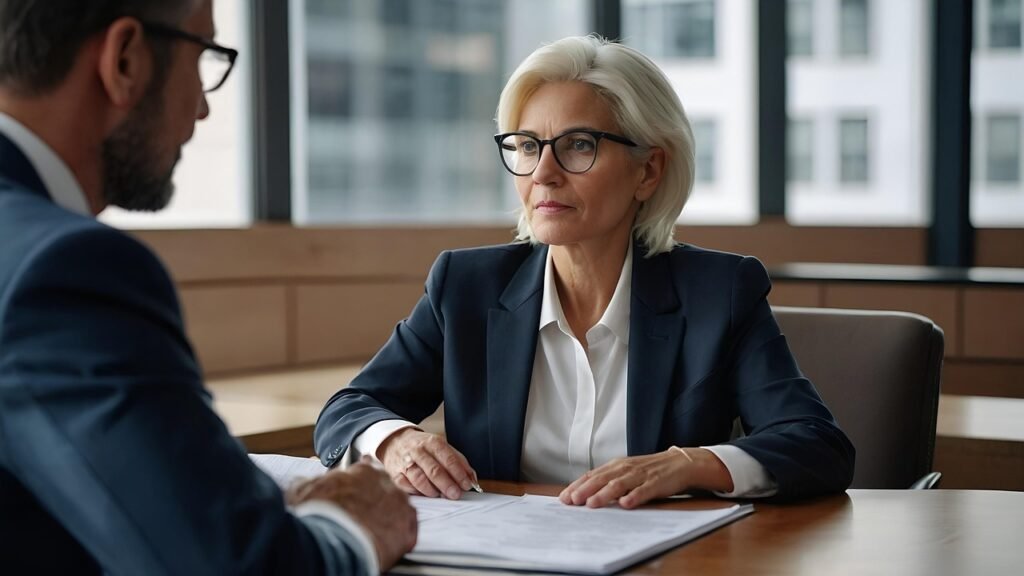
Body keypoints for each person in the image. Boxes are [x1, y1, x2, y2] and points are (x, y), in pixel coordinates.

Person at [314, 35, 855, 508]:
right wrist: (394, 440)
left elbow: (815, 444)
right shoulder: (466, 286)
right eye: (527, 146)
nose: (543, 174)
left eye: (578, 145)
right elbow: (348, 410)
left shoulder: (719, 293)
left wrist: (688, 464)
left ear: (649, 170)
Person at [0, 1, 415, 574]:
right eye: (204, 57)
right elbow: (229, 565)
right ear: (125, 60)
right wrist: (352, 528)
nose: (201, 108)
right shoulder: (63, 268)